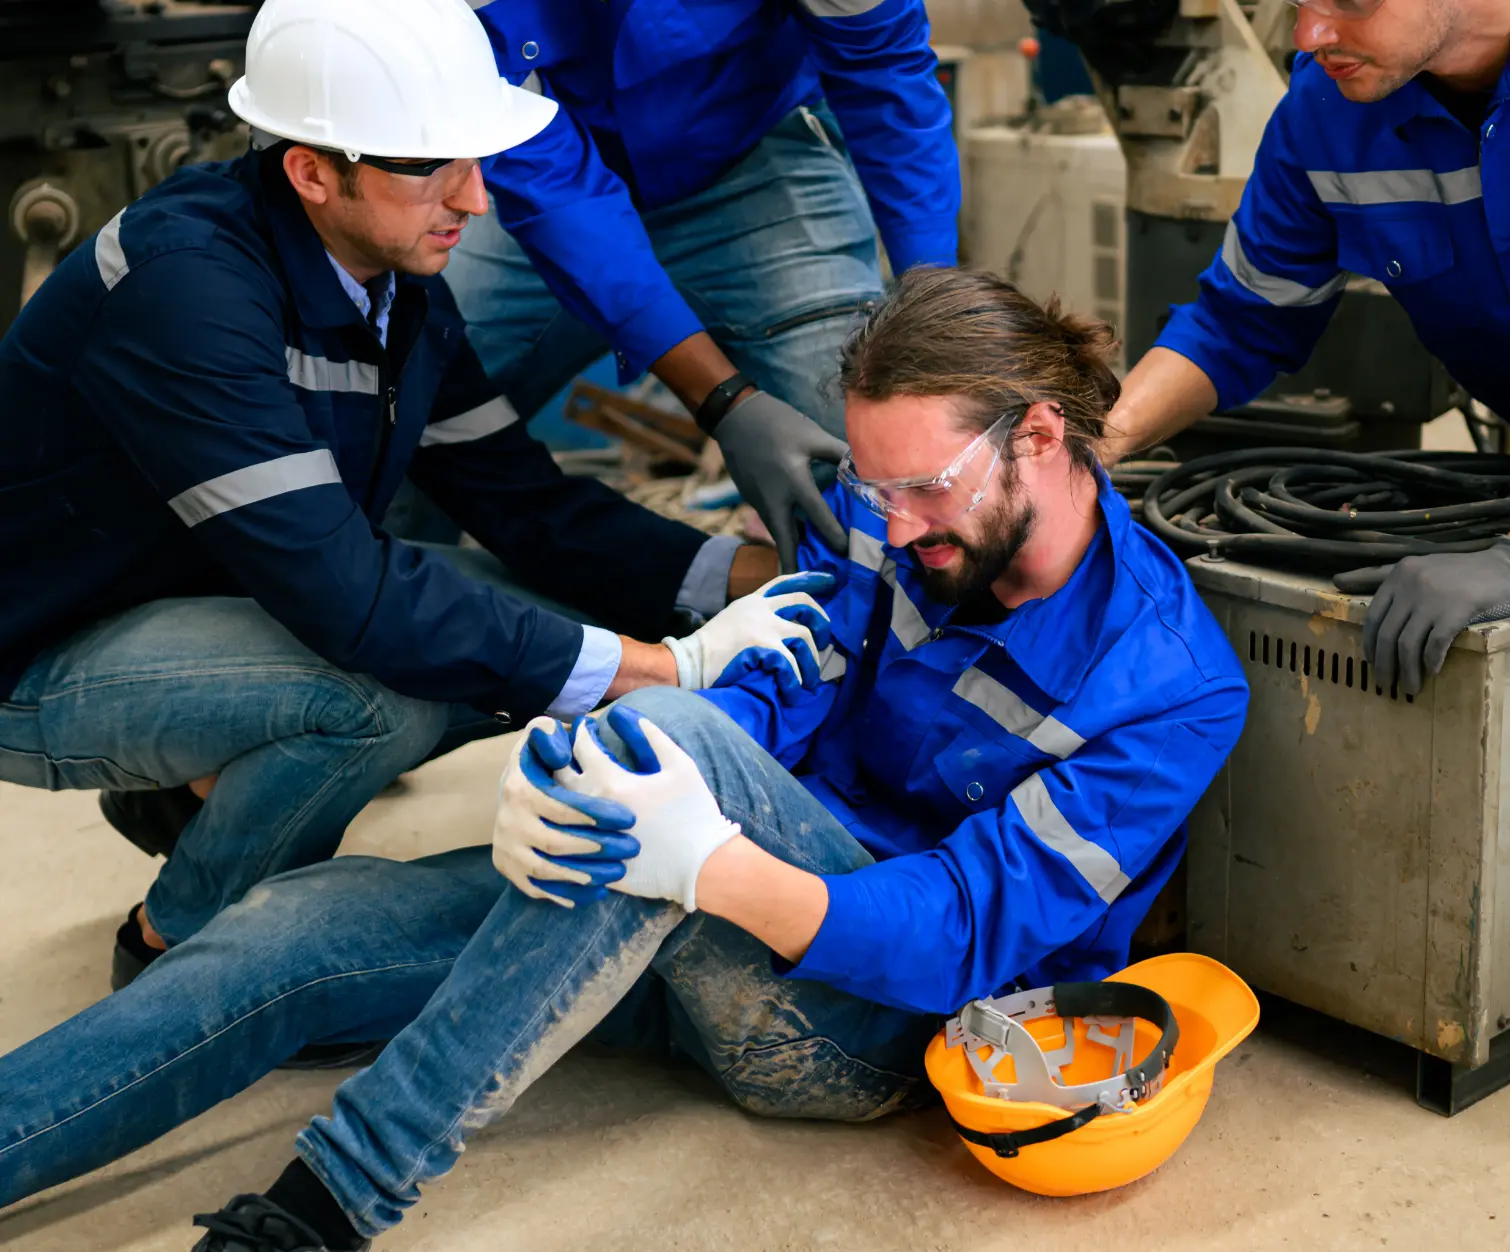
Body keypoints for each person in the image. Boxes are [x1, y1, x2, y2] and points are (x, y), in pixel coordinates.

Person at [0, 269, 1249, 1247]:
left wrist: (709, 859)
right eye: (877, 488)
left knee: (668, 739)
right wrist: (569, 778)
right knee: (290, 931)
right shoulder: (898, 518)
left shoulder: (1172, 688)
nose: (889, 519)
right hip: (681, 908)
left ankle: (334, 1195)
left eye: (920, 488)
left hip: (858, 1024)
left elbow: (964, 932)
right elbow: (772, 687)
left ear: (1037, 436)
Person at [0, 0, 819, 992]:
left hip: (210, 604)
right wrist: (663, 670)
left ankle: (188, 792)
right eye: (428, 166)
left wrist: (742, 580)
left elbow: (525, 506)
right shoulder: (188, 290)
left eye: (473, 159)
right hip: (44, 650)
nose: (474, 201)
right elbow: (353, 602)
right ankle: (177, 948)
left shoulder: (394, 286)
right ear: (312, 169)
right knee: (375, 692)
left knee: (531, 621)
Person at [1101, 0, 1510, 693]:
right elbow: (1239, 320)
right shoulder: (1326, 112)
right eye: (1295, 3)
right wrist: (1095, 444)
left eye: (1349, 2)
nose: (1310, 36)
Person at [410, 0, 961, 570]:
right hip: (535, 172)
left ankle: (873, 635)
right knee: (408, 396)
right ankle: (402, 620)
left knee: (881, 446)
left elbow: (882, 69)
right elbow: (546, 179)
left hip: (755, 160)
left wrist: (930, 309)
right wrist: (725, 402)